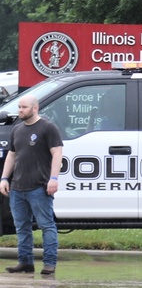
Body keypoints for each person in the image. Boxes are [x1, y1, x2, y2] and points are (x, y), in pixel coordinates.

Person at [1, 95, 64, 275]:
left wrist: (54, 178)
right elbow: (12, 155)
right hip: (18, 188)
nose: (20, 110)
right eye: (19, 107)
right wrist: (4, 178)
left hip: (39, 186)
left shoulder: (47, 128)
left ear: (35, 108)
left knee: (46, 225)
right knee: (21, 227)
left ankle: (49, 264)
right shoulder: (17, 129)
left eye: (24, 107)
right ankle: (25, 262)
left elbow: (57, 153)